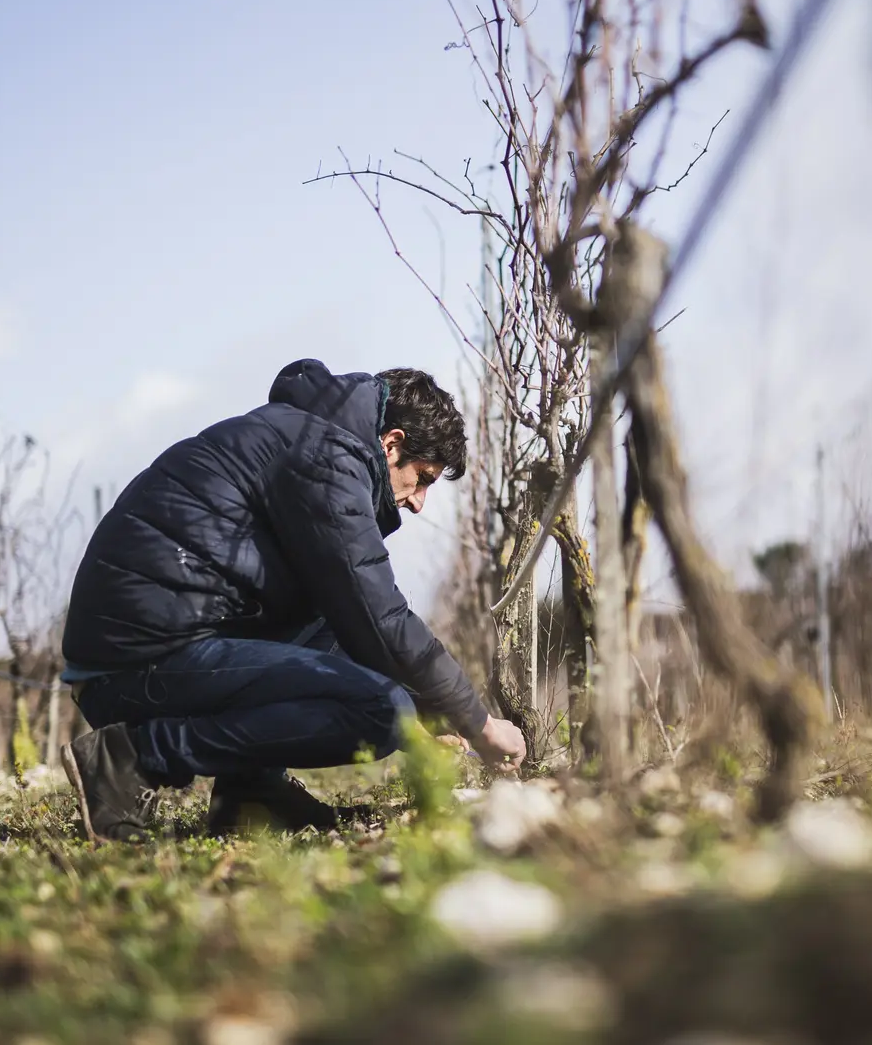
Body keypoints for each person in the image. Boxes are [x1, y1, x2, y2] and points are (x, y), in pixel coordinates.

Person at [57, 359, 527, 841]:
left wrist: (432, 714)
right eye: (423, 477)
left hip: (153, 647)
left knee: (331, 622)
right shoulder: (325, 456)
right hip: (136, 666)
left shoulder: (313, 440)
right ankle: (130, 760)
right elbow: (380, 613)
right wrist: (479, 723)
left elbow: (350, 628)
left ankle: (251, 792)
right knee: (381, 712)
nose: (418, 501)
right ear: (392, 444)